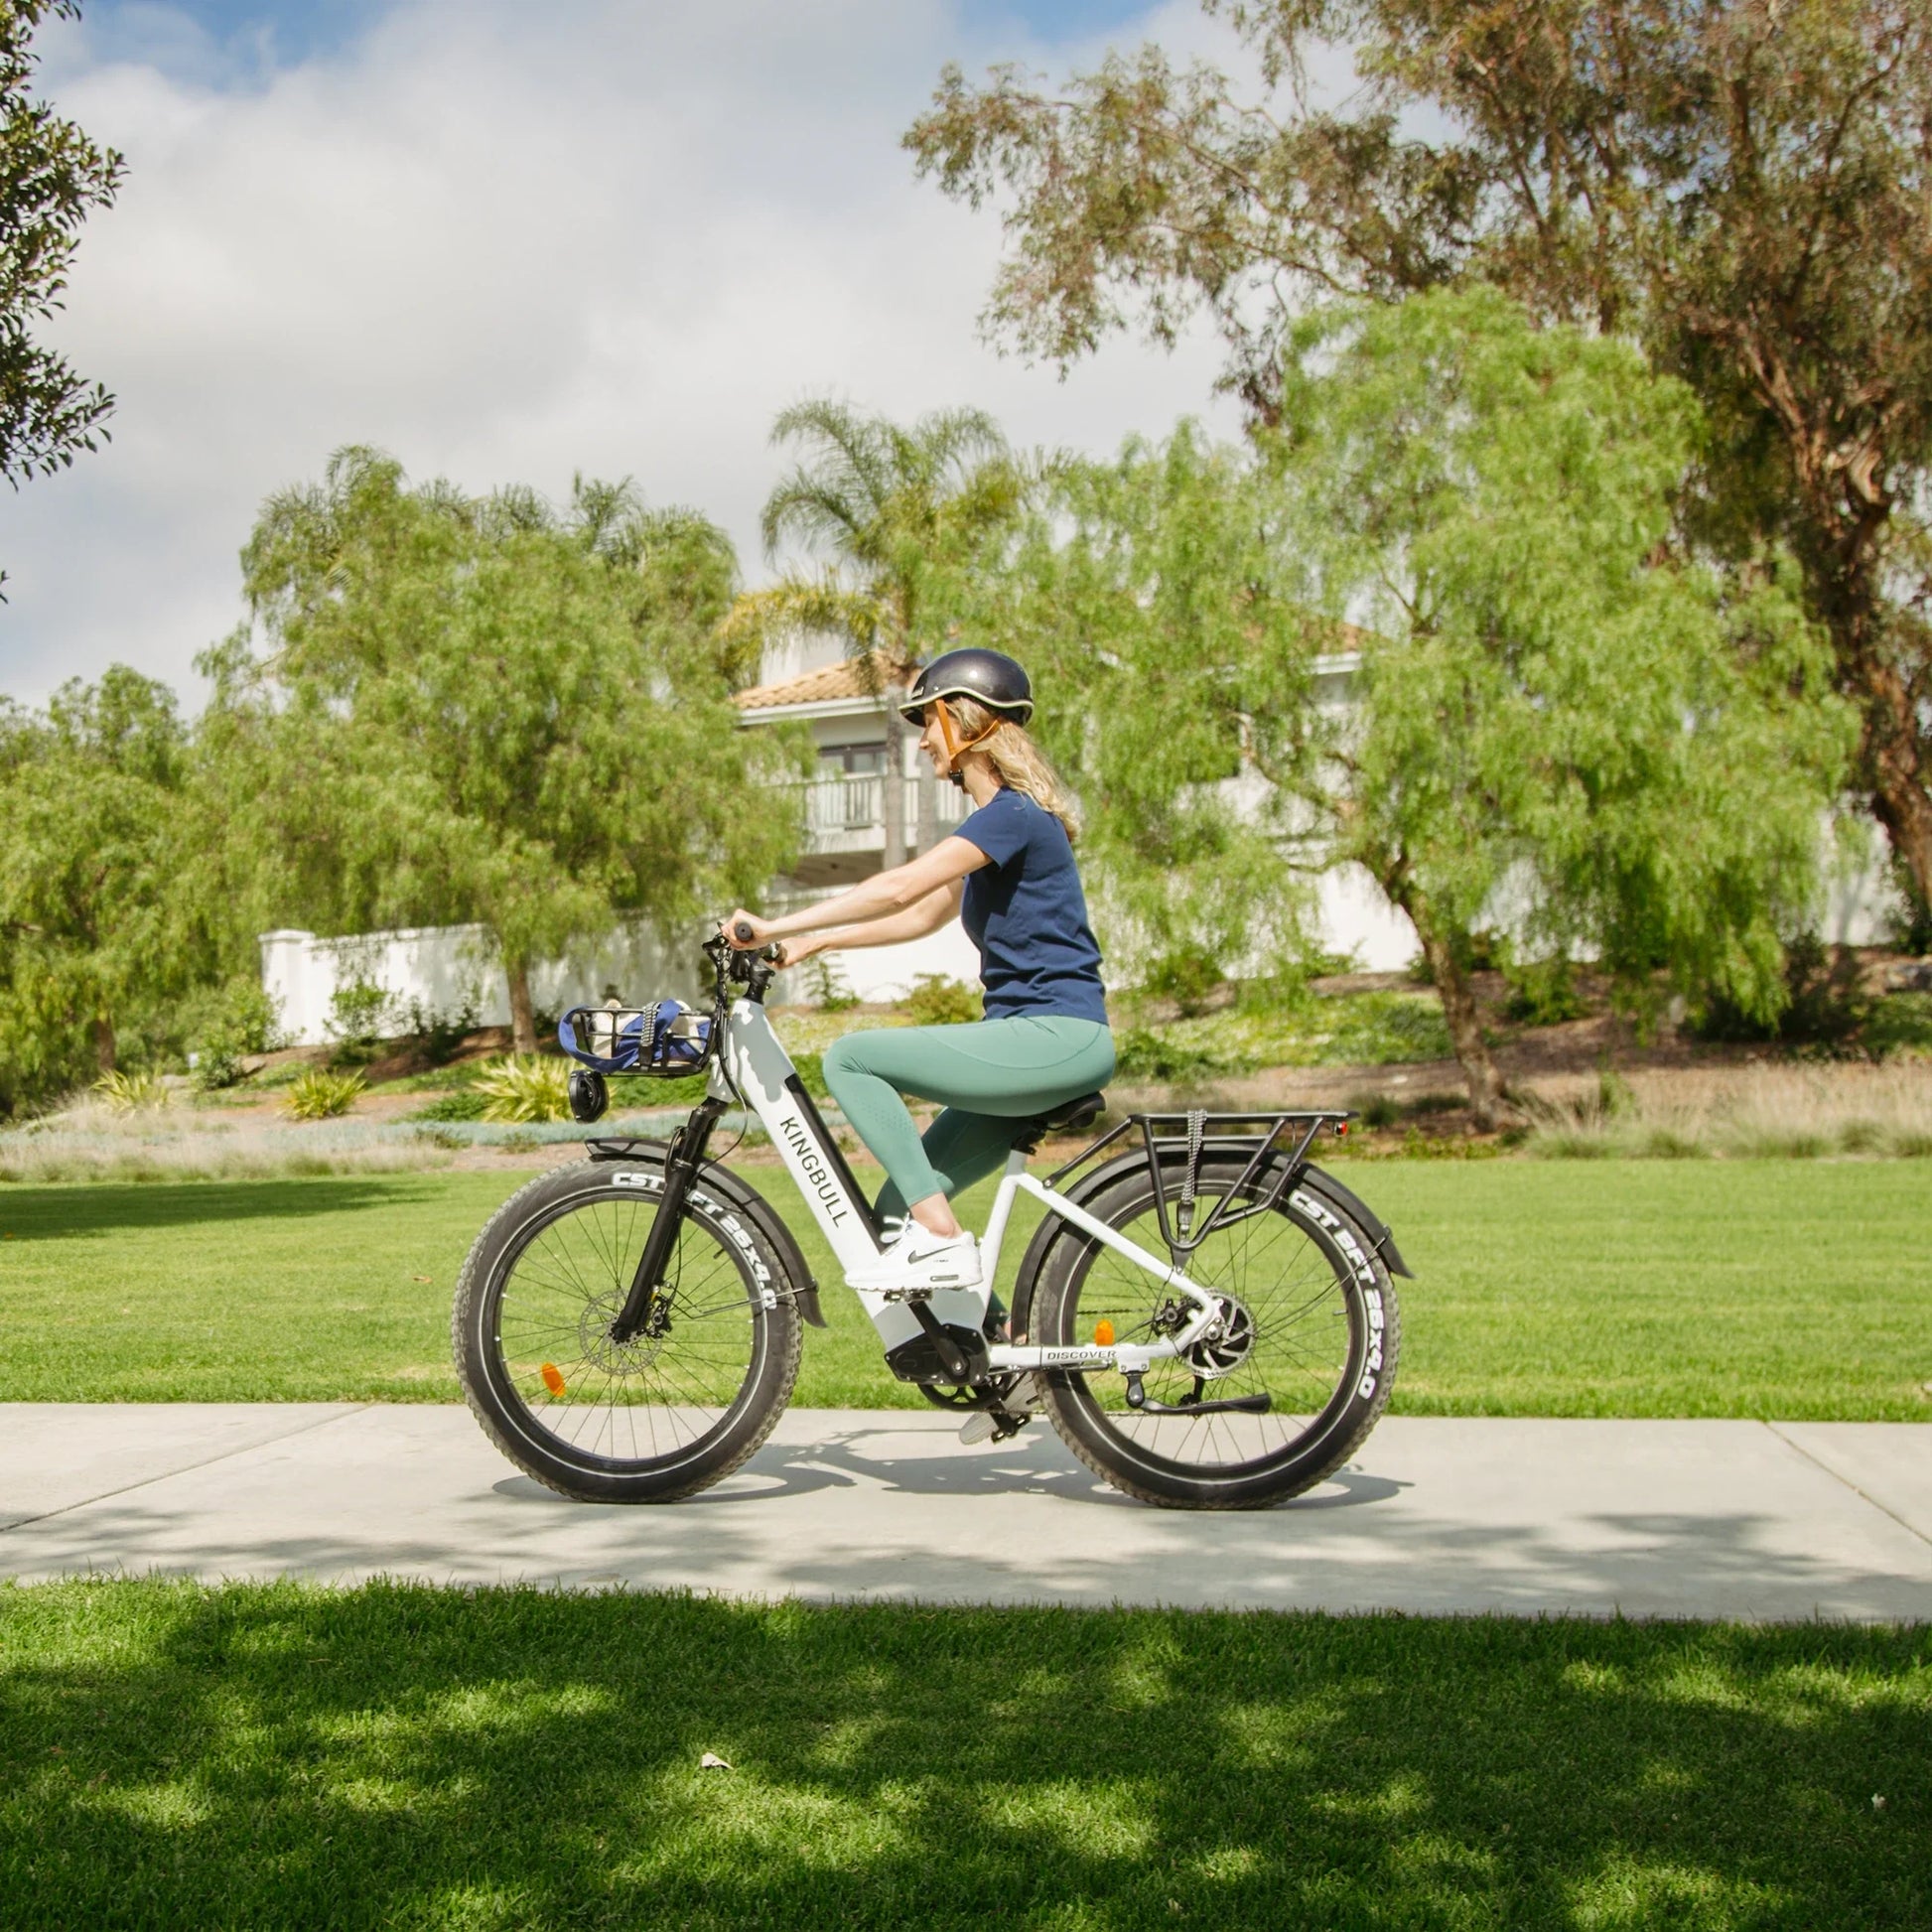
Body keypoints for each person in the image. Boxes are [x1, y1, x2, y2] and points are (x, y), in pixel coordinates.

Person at [722, 647, 1114, 1292]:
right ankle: (993, 1351)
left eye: (929, 722)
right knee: (895, 1209)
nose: (925, 741)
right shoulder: (998, 829)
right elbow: (920, 914)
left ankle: (941, 1239)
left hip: (1056, 1038)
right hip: (1032, 1041)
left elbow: (901, 887)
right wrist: (813, 945)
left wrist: (775, 924)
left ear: (966, 721)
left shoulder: (1011, 817)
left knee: (852, 1058)